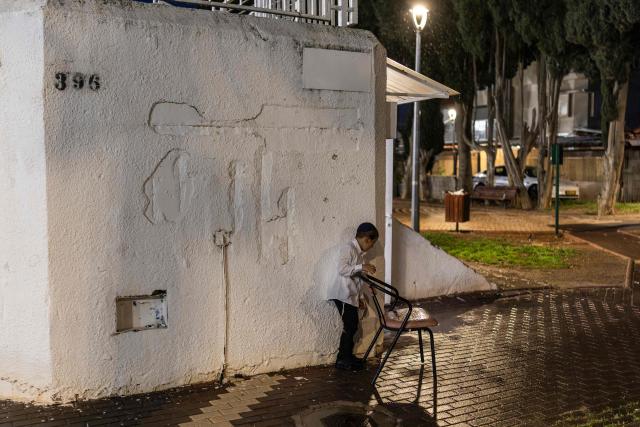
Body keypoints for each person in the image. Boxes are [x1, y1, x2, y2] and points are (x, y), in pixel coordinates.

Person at [327, 222, 379, 371]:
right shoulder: (348, 249)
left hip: (350, 295)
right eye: (372, 243)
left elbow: (357, 279)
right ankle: (342, 359)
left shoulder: (359, 254)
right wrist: (362, 267)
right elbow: (342, 269)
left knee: (352, 325)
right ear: (367, 239)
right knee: (350, 326)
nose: (372, 247)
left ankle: (346, 357)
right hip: (342, 294)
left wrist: (360, 298)